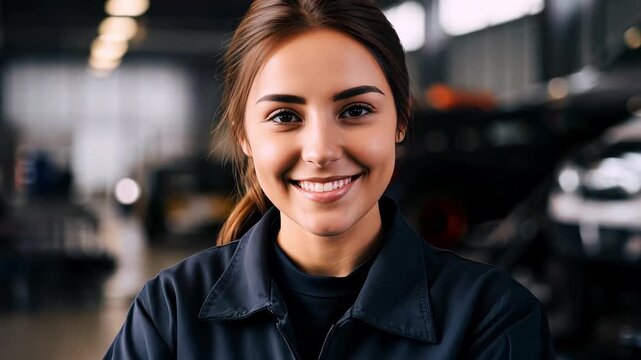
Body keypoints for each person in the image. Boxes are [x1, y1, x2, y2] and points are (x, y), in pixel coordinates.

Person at [105, 0, 555, 359]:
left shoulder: (492, 320)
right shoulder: (170, 314)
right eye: (284, 116)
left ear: (400, 121)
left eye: (355, 111)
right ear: (244, 135)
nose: (321, 150)